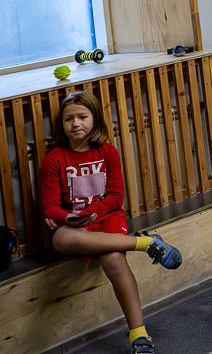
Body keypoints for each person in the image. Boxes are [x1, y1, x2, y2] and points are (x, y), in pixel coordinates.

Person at [40, 91, 184, 354]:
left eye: (82, 117)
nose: (75, 124)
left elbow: (116, 197)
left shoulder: (108, 151)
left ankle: (139, 335)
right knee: (60, 238)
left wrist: (91, 212)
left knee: (114, 260)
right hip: (77, 226)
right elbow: (50, 207)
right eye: (68, 119)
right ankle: (146, 243)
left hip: (107, 218)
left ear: (95, 119)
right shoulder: (54, 159)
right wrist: (68, 218)